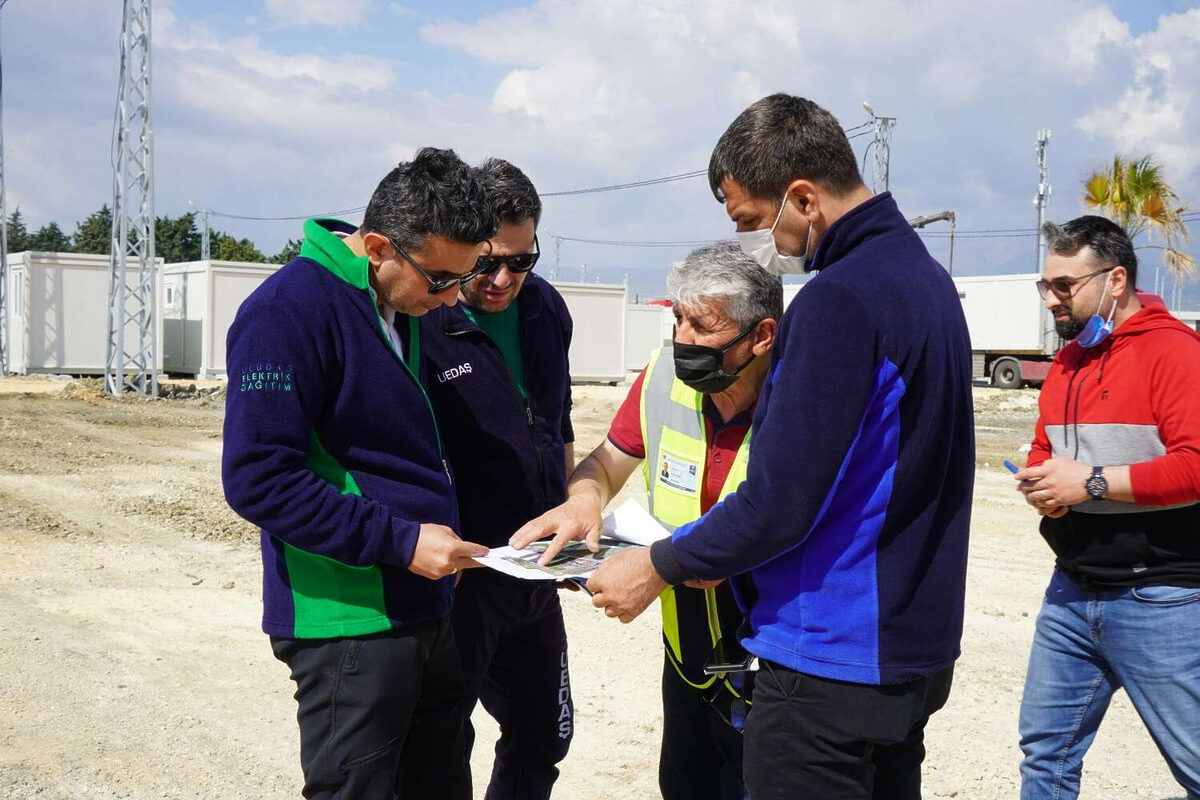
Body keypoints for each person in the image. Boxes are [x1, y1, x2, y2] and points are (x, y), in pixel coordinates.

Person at [573, 93, 975, 800]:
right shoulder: (925, 282)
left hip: (827, 659)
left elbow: (780, 502)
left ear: (802, 197)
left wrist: (658, 566)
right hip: (910, 651)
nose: (764, 243)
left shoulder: (838, 300)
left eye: (754, 221)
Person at [221, 147, 496, 800]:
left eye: (466, 276)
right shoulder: (288, 312)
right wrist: (399, 541)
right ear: (377, 247)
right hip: (348, 624)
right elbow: (259, 477)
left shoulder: (404, 305)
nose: (454, 297)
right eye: (441, 280)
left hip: (426, 608)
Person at [514, 240, 781, 800]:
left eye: (701, 326)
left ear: (761, 336)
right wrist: (584, 497)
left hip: (774, 667)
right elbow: (605, 464)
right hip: (688, 659)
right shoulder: (662, 376)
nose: (682, 339)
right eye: (677, 318)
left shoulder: (798, 399)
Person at [1014, 215, 1200, 800]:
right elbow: (1048, 449)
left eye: (1065, 286)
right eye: (1046, 286)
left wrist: (1089, 484)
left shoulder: (1174, 352)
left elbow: (1195, 467)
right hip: (1071, 591)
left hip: (1161, 596)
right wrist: (1043, 483)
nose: (1052, 300)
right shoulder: (1067, 362)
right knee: (1045, 756)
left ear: (1115, 280)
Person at [420, 157, 575, 799]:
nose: (504, 279)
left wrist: (566, 517)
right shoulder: (424, 321)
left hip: (535, 568)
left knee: (544, 734)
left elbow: (559, 427)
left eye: (523, 261)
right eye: (488, 262)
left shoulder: (545, 311)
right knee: (442, 735)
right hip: (464, 576)